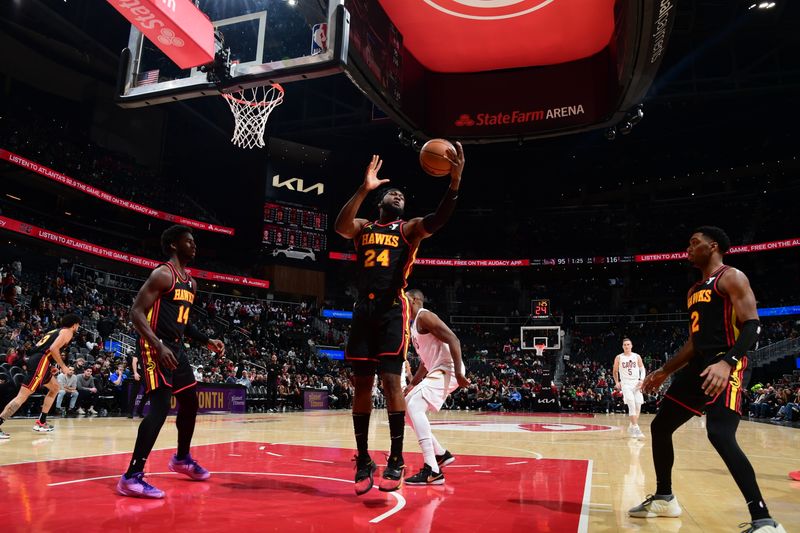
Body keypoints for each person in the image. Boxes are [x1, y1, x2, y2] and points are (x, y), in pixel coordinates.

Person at [630, 227, 785, 533]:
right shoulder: (693, 291)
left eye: (694, 243)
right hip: (700, 365)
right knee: (661, 426)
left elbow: (753, 326)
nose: (688, 247)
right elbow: (693, 343)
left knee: (719, 433)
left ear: (713, 246)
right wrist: (665, 371)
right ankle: (665, 497)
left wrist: (728, 362)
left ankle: (764, 520)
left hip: (728, 363)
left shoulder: (732, 277)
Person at [334, 144, 465, 495]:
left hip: (393, 310)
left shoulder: (408, 230)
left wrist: (454, 184)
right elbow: (340, 225)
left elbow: (437, 220)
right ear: (380, 201)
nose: (397, 195)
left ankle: (396, 459)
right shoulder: (363, 227)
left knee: (392, 384)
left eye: (401, 195)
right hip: (363, 310)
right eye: (391, 192)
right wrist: (365, 187)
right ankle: (363, 460)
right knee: (361, 387)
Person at [117, 225, 225, 499]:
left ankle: (181, 458)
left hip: (177, 349)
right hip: (154, 348)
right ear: (174, 245)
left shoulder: (191, 282)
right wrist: (157, 344)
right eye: (189, 241)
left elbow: (184, 323)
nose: (194, 245)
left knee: (190, 403)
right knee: (161, 407)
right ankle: (131, 476)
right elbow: (136, 312)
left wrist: (206, 341)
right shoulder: (163, 274)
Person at [403, 289, 469, 485]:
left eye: (405, 299)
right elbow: (425, 362)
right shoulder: (414, 325)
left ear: (415, 300)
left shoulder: (424, 316)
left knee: (415, 405)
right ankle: (441, 454)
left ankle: (432, 469)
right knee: (407, 406)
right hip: (436, 370)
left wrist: (458, 372)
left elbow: (453, 339)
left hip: (447, 369)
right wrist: (412, 384)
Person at [0, 314, 80, 438]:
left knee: (55, 387)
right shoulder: (68, 332)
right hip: (40, 361)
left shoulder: (55, 331)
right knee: (22, 396)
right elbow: (53, 348)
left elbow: (43, 348)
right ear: (74, 325)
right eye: (78, 325)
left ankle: (41, 422)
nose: (78, 327)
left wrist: (50, 365)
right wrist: (63, 366)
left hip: (40, 360)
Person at [613, 338, 646, 439]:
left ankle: (632, 425)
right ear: (622, 347)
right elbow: (615, 371)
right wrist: (617, 382)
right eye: (625, 345)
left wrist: (641, 380)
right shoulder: (619, 357)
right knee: (631, 403)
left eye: (628, 344)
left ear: (631, 346)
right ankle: (636, 428)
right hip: (626, 383)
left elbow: (642, 369)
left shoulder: (637, 356)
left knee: (638, 406)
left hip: (636, 383)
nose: (626, 346)